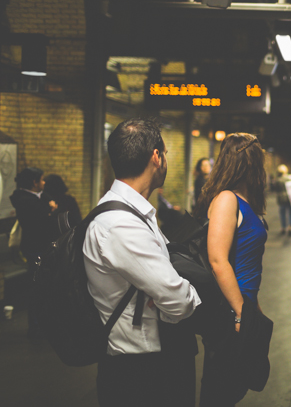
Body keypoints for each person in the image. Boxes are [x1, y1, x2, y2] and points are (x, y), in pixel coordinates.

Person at [82, 117, 202, 407]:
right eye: (166, 154)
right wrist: (181, 292)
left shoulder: (132, 214)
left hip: (151, 364)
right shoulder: (121, 225)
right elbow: (179, 300)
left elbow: (166, 291)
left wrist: (162, 294)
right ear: (156, 157)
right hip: (141, 374)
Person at [194, 133, 268, 406]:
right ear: (250, 163)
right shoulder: (227, 199)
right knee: (219, 390)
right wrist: (240, 313)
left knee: (233, 387)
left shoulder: (243, 201)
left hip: (243, 305)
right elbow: (217, 260)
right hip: (228, 312)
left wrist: (253, 309)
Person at [9, 167, 59, 338]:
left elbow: (46, 199)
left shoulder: (37, 197)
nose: (44, 182)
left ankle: (42, 323)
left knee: (44, 285)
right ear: (34, 182)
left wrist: (49, 206)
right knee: (38, 286)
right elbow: (40, 224)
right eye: (42, 180)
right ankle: (36, 327)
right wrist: (51, 211)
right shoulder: (25, 200)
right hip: (35, 248)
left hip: (41, 247)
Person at [273, 164, 291, 236]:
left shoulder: (278, 179)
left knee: (282, 213)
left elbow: (275, 189)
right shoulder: (290, 178)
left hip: (281, 198)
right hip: (290, 198)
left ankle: (283, 227)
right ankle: (290, 227)